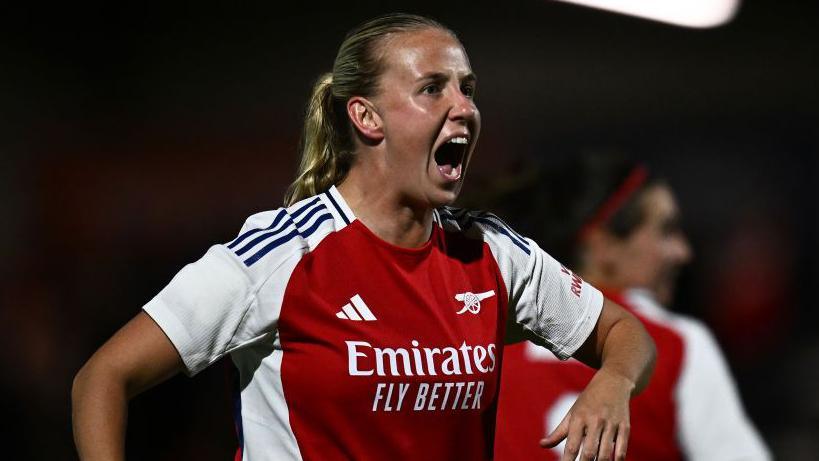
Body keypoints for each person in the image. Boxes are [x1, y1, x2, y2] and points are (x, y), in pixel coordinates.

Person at [71, 14, 655, 461]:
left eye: (468, 88)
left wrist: (613, 380)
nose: (465, 108)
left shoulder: (490, 253)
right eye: (433, 89)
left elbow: (625, 333)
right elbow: (103, 378)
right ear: (366, 117)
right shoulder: (282, 255)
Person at [493, 155, 771, 460]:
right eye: (666, 231)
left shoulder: (487, 337)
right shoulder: (677, 343)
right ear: (602, 246)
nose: (683, 252)